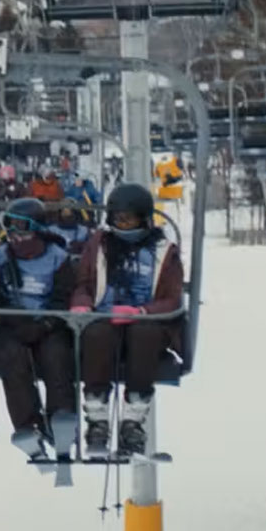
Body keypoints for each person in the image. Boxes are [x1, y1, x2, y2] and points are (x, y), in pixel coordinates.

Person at [67, 182, 185, 457]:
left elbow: (172, 298)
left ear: (143, 218)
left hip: (145, 320)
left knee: (144, 335)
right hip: (104, 316)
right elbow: (83, 283)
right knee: (97, 334)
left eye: (127, 219)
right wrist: (82, 305)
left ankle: (133, 420)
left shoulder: (164, 251)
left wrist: (143, 312)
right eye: (116, 218)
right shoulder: (99, 245)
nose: (120, 224)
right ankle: (97, 417)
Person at [0, 198, 78, 455]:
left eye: (22, 228)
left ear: (38, 229)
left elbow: (64, 296)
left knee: (56, 354)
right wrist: (8, 318)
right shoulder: (0, 258)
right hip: (11, 327)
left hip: (48, 324)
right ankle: (27, 425)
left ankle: (62, 417)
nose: (15, 235)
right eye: (10, 227)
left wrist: (46, 323)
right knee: (11, 357)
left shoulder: (57, 258)